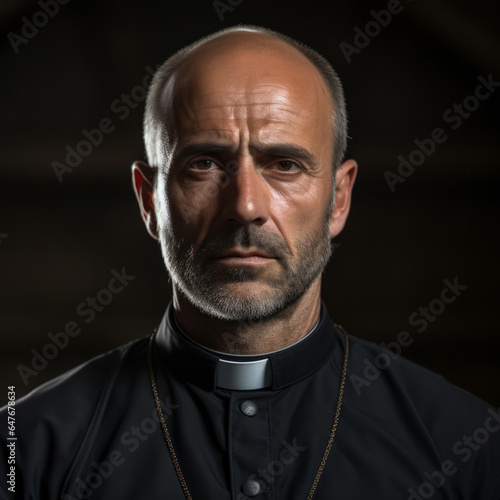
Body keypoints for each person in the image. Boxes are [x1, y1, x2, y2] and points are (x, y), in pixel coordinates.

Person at [1, 25, 499, 500]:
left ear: (339, 199)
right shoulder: (27, 452)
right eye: (204, 164)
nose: (244, 206)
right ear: (150, 201)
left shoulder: (468, 446)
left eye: (284, 165)